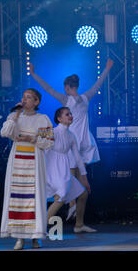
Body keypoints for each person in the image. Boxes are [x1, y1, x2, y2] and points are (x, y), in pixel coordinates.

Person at [29, 59, 113, 220]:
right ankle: (74, 208)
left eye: (65, 88)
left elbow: (48, 89)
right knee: (74, 175)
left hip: (70, 140)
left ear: (67, 87)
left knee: (71, 175)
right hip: (84, 140)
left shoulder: (66, 100)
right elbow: (99, 83)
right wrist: (107, 68)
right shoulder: (86, 97)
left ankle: (73, 207)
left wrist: (34, 74)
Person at [0, 88, 54, 250]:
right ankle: (19, 238)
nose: (24, 100)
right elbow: (4, 133)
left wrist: (32, 138)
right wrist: (16, 115)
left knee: (35, 198)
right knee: (17, 199)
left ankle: (36, 237)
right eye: (23, 97)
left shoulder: (42, 119)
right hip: (17, 163)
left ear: (36, 102)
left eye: (29, 98)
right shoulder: (14, 117)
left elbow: (49, 143)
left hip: (35, 162)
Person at [45, 107, 96, 233]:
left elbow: (78, 158)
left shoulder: (71, 135)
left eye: (71, 114)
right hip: (53, 167)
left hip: (64, 168)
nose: (71, 116)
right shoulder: (51, 131)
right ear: (59, 118)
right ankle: (41, 226)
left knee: (83, 193)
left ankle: (79, 225)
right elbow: (40, 146)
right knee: (61, 196)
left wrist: (84, 178)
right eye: (67, 114)